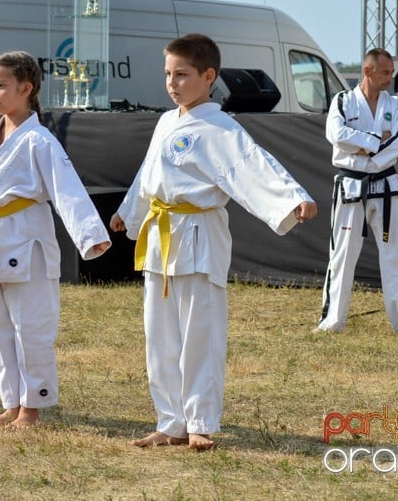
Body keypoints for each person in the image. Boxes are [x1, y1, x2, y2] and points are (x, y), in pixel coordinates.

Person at [110, 34, 317, 450]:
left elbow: (251, 165)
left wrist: (292, 197)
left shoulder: (221, 126)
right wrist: (128, 211)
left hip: (199, 236)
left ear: (208, 77)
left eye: (182, 75)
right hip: (160, 235)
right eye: (168, 74)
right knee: (160, 333)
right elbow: (149, 175)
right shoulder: (168, 121)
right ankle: (170, 421)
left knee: (199, 333)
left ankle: (200, 420)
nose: (172, 83)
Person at [0, 50, 111, 429]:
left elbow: (66, 190)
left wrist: (90, 236)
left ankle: (32, 407)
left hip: (27, 243)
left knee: (30, 327)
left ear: (26, 88)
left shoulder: (40, 140)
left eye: (2, 85)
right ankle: (11, 402)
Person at [315, 48, 398, 336]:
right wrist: (378, 140)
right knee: (341, 255)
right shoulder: (343, 102)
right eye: (385, 72)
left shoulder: (396, 105)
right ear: (367, 71)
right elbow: (336, 136)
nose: (390, 77)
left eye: (391, 72)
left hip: (386, 187)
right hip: (351, 187)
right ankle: (331, 323)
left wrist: (363, 151)